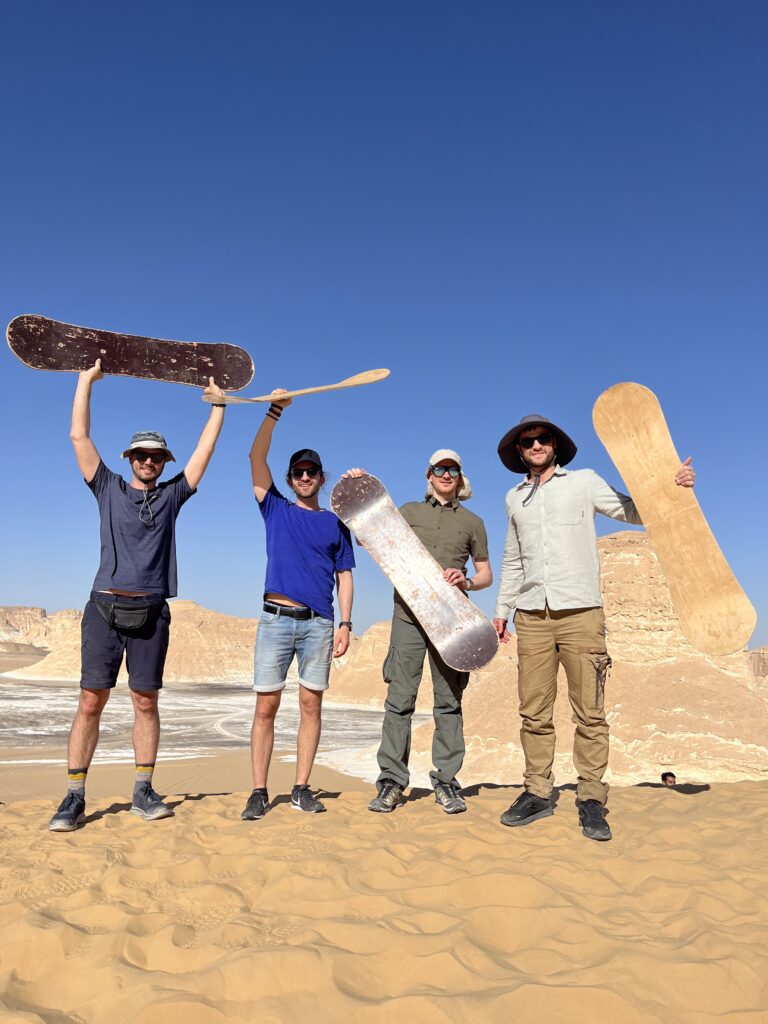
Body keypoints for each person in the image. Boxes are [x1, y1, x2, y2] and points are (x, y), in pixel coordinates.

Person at [493, 415, 695, 842]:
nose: (535, 445)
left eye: (542, 438)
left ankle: (590, 798)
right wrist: (502, 609)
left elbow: (630, 510)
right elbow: (513, 558)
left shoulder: (583, 482)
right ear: (518, 452)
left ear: (555, 445)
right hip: (531, 615)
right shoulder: (513, 498)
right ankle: (536, 791)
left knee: (590, 712)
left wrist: (671, 487)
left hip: (582, 613)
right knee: (533, 711)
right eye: (527, 442)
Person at [49, 360, 226, 832]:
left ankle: (143, 789)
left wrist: (219, 407)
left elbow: (203, 454)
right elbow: (79, 439)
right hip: (104, 607)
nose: (149, 461)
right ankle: (73, 795)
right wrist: (85, 381)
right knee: (91, 700)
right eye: (142, 455)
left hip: (151, 611)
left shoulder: (171, 496)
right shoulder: (106, 486)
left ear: (163, 463)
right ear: (129, 458)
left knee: (145, 702)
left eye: (157, 457)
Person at [345, 451, 492, 815]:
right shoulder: (409, 512)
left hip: (451, 624)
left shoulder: (473, 522)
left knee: (448, 703)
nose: (446, 474)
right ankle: (392, 782)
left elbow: (486, 574)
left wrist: (468, 581)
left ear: (459, 476)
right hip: (408, 618)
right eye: (440, 469)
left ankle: (446, 783)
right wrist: (357, 487)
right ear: (429, 475)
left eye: (452, 469)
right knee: (399, 701)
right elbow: (368, 536)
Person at [242, 391, 355, 821]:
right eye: (298, 472)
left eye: (311, 472)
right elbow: (256, 454)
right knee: (266, 706)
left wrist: (345, 623)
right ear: (290, 480)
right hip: (275, 621)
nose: (305, 477)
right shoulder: (275, 508)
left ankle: (301, 787)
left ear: (321, 478)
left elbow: (345, 575)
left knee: (311, 706)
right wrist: (274, 411)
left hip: (318, 625)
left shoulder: (335, 523)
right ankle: (258, 790)